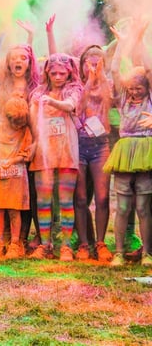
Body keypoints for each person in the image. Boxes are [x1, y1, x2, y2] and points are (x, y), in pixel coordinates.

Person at [104, 20, 152, 267]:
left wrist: (140, 41)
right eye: (131, 88)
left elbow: (149, 68)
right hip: (125, 151)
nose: (134, 92)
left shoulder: (150, 98)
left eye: (139, 89)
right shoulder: (122, 99)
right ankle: (119, 252)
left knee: (143, 206)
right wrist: (122, 45)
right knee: (122, 206)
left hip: (146, 150)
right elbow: (114, 71)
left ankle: (147, 254)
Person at [27, 53, 83, 260]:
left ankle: (66, 246)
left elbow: (70, 105)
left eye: (62, 73)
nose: (58, 77)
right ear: (47, 73)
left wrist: (51, 101)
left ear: (69, 73)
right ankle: (44, 244)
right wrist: (33, 142)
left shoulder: (73, 89)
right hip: (44, 151)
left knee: (66, 199)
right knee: (43, 200)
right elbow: (33, 120)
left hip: (66, 149)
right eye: (54, 73)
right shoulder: (37, 93)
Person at [73, 45, 113, 262]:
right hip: (78, 146)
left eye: (98, 63)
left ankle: (101, 243)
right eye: (89, 63)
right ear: (82, 65)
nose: (94, 67)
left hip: (100, 146)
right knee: (80, 198)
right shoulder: (76, 86)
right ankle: (83, 245)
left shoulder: (109, 84)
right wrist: (88, 81)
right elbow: (78, 108)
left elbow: (109, 99)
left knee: (103, 197)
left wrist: (101, 76)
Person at [0, 97, 34, 259]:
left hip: (16, 177)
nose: (18, 126)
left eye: (21, 123)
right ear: (6, 117)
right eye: (15, 123)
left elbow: (26, 155)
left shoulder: (25, 131)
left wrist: (12, 161)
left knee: (14, 211)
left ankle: (14, 243)